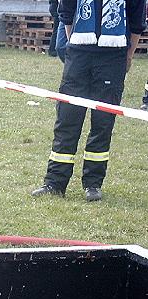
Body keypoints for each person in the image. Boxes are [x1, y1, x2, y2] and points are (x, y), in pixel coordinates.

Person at [31, 0, 146, 202]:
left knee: (103, 123)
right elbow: (66, 12)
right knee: (67, 120)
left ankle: (93, 184)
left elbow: (137, 20)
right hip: (79, 54)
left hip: (113, 57)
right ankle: (55, 183)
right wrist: (75, 46)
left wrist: (128, 55)